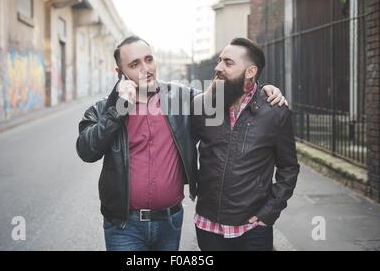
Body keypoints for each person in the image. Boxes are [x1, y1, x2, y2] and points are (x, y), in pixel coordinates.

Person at [76, 35, 287, 251]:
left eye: (149, 60)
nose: (145, 69)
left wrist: (262, 90)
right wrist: (118, 110)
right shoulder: (103, 109)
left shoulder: (181, 98)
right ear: (120, 73)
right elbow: (86, 150)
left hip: (169, 222)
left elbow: (225, 94)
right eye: (134, 64)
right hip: (123, 226)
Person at [192, 38, 300, 251]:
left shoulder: (275, 112)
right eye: (220, 60)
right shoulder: (203, 105)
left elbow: (289, 168)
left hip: (252, 230)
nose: (218, 67)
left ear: (250, 72)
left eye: (228, 63)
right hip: (207, 225)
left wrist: (269, 212)